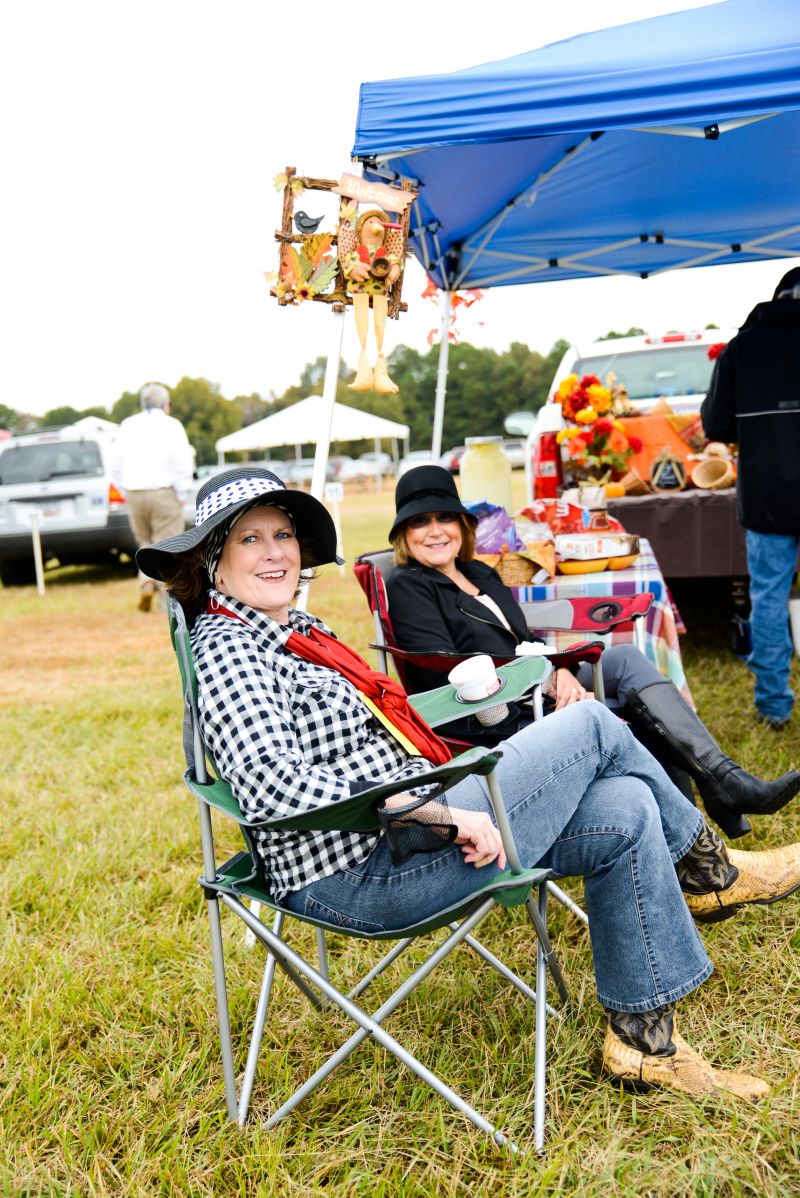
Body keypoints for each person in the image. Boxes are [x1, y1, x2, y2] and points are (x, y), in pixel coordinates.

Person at [138, 466, 800, 1101]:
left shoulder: (295, 630)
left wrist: (433, 787)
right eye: (249, 539)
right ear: (213, 561)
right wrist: (440, 814)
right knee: (592, 724)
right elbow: (274, 789)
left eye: (282, 534)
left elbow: (378, 723)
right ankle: (710, 871)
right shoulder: (231, 650)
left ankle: (643, 1043)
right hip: (363, 867)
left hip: (405, 819)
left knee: (626, 808)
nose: (274, 551)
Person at [386, 466, 800, 840]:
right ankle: (708, 822)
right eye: (420, 521)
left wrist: (558, 669)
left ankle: (721, 785)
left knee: (626, 660)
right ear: (404, 533)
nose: (435, 530)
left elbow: (523, 637)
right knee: (645, 714)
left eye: (444, 517)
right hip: (492, 710)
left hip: (530, 683)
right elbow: (445, 672)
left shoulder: (479, 572)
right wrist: (542, 679)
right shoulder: (409, 586)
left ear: (462, 525)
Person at [701, 267, 800, 730]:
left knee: (769, 598)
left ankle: (774, 705)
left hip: (767, 494)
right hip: (766, 494)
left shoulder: (742, 347)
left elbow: (716, 426)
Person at [110, 382, 194, 611]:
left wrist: (125, 491)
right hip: (163, 492)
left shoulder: (127, 425)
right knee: (168, 547)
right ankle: (167, 605)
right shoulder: (172, 425)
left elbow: (114, 464)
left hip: (135, 494)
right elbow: (183, 461)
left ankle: (146, 582)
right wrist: (182, 492)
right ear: (165, 404)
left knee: (146, 543)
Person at [340, 208, 403, 394]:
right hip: (359, 290)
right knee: (361, 323)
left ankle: (380, 364)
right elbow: (348, 262)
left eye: (379, 222)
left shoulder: (385, 252)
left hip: (379, 291)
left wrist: (393, 272)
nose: (376, 225)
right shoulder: (357, 251)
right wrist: (354, 268)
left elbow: (395, 262)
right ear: (361, 231)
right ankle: (363, 365)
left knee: (379, 324)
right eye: (371, 222)